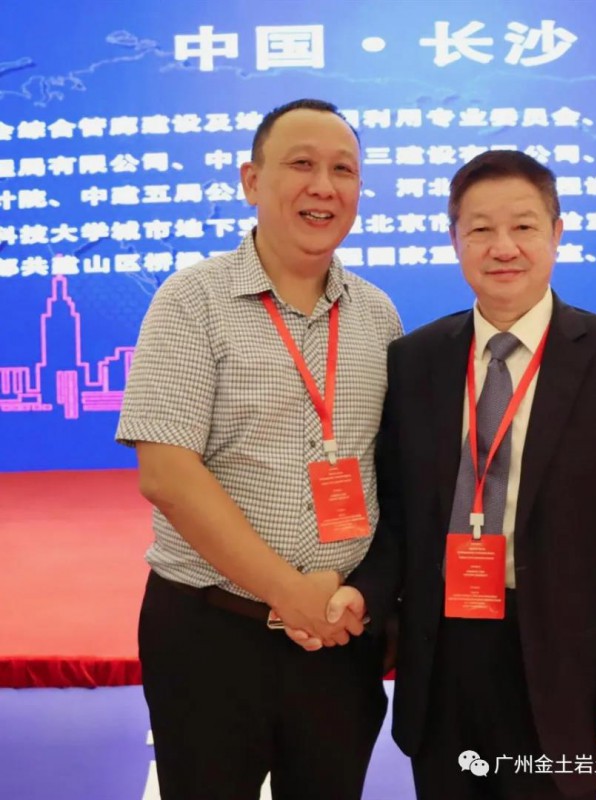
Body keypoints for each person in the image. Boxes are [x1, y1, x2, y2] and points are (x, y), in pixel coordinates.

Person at [289, 150, 596, 799]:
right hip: (442, 661)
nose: (503, 247)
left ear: (557, 233)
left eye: (523, 226)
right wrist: (364, 592)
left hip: (566, 671)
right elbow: (398, 518)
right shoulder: (416, 360)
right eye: (480, 229)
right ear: (455, 240)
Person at [116, 98, 402, 800]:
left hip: (339, 639)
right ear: (251, 180)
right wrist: (288, 592)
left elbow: (394, 478)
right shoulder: (192, 301)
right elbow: (167, 474)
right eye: (301, 164)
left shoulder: (378, 315)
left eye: (343, 170)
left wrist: (359, 595)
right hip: (212, 633)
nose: (323, 186)